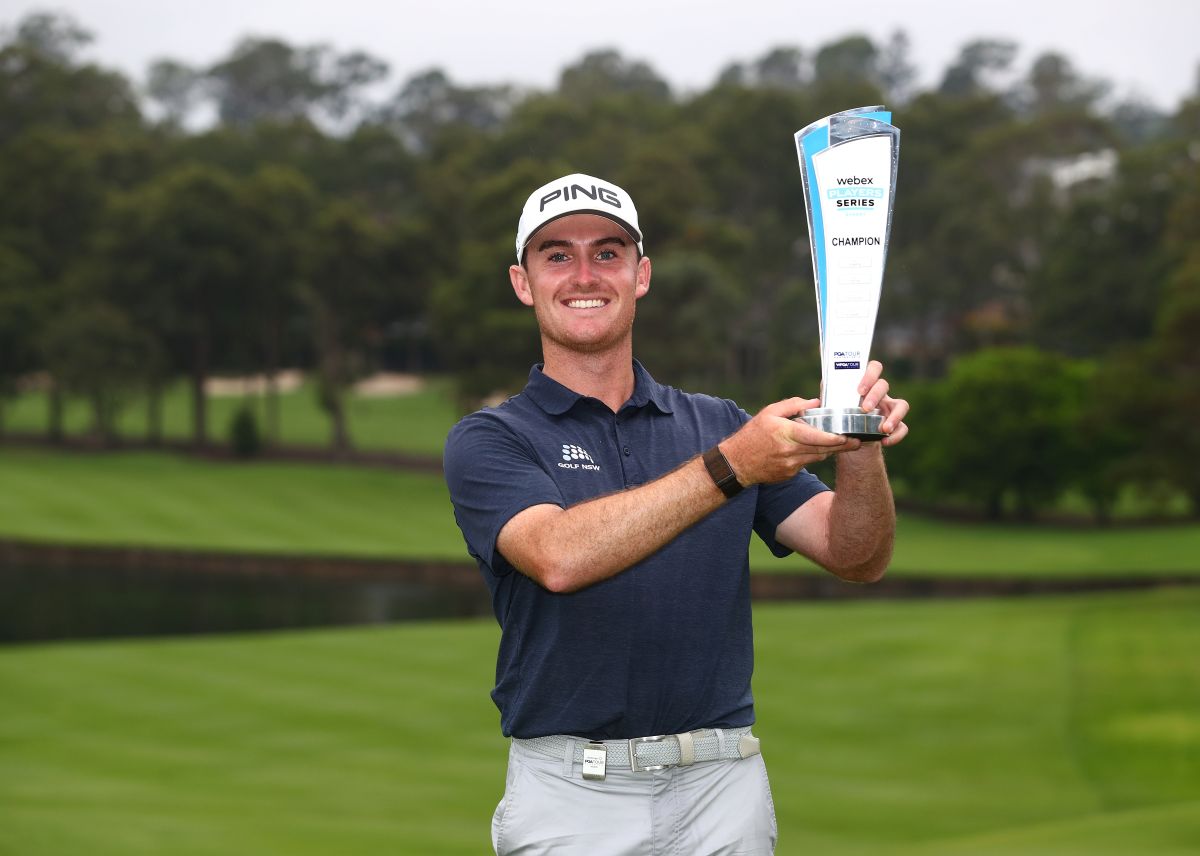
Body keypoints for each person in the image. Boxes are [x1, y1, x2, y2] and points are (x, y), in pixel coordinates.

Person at [443, 173, 909, 855]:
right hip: (573, 796)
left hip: (723, 785)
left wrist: (858, 439)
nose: (584, 275)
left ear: (641, 275)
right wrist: (732, 466)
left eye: (608, 253)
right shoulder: (491, 439)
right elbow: (557, 556)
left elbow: (856, 554)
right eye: (557, 255)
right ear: (523, 282)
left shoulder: (719, 423)